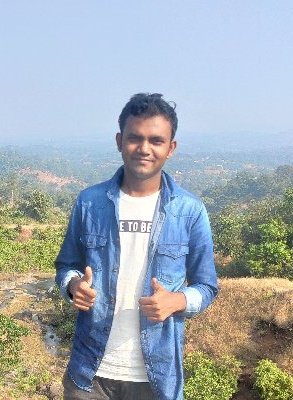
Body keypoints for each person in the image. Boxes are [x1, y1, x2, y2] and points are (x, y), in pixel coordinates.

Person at [55, 93, 218, 400]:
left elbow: (207, 286)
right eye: (135, 138)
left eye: (156, 140)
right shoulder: (89, 203)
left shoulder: (189, 210)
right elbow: (67, 266)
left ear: (171, 148)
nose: (144, 148)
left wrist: (177, 300)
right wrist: (73, 286)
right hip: (89, 375)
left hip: (155, 380)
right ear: (120, 141)